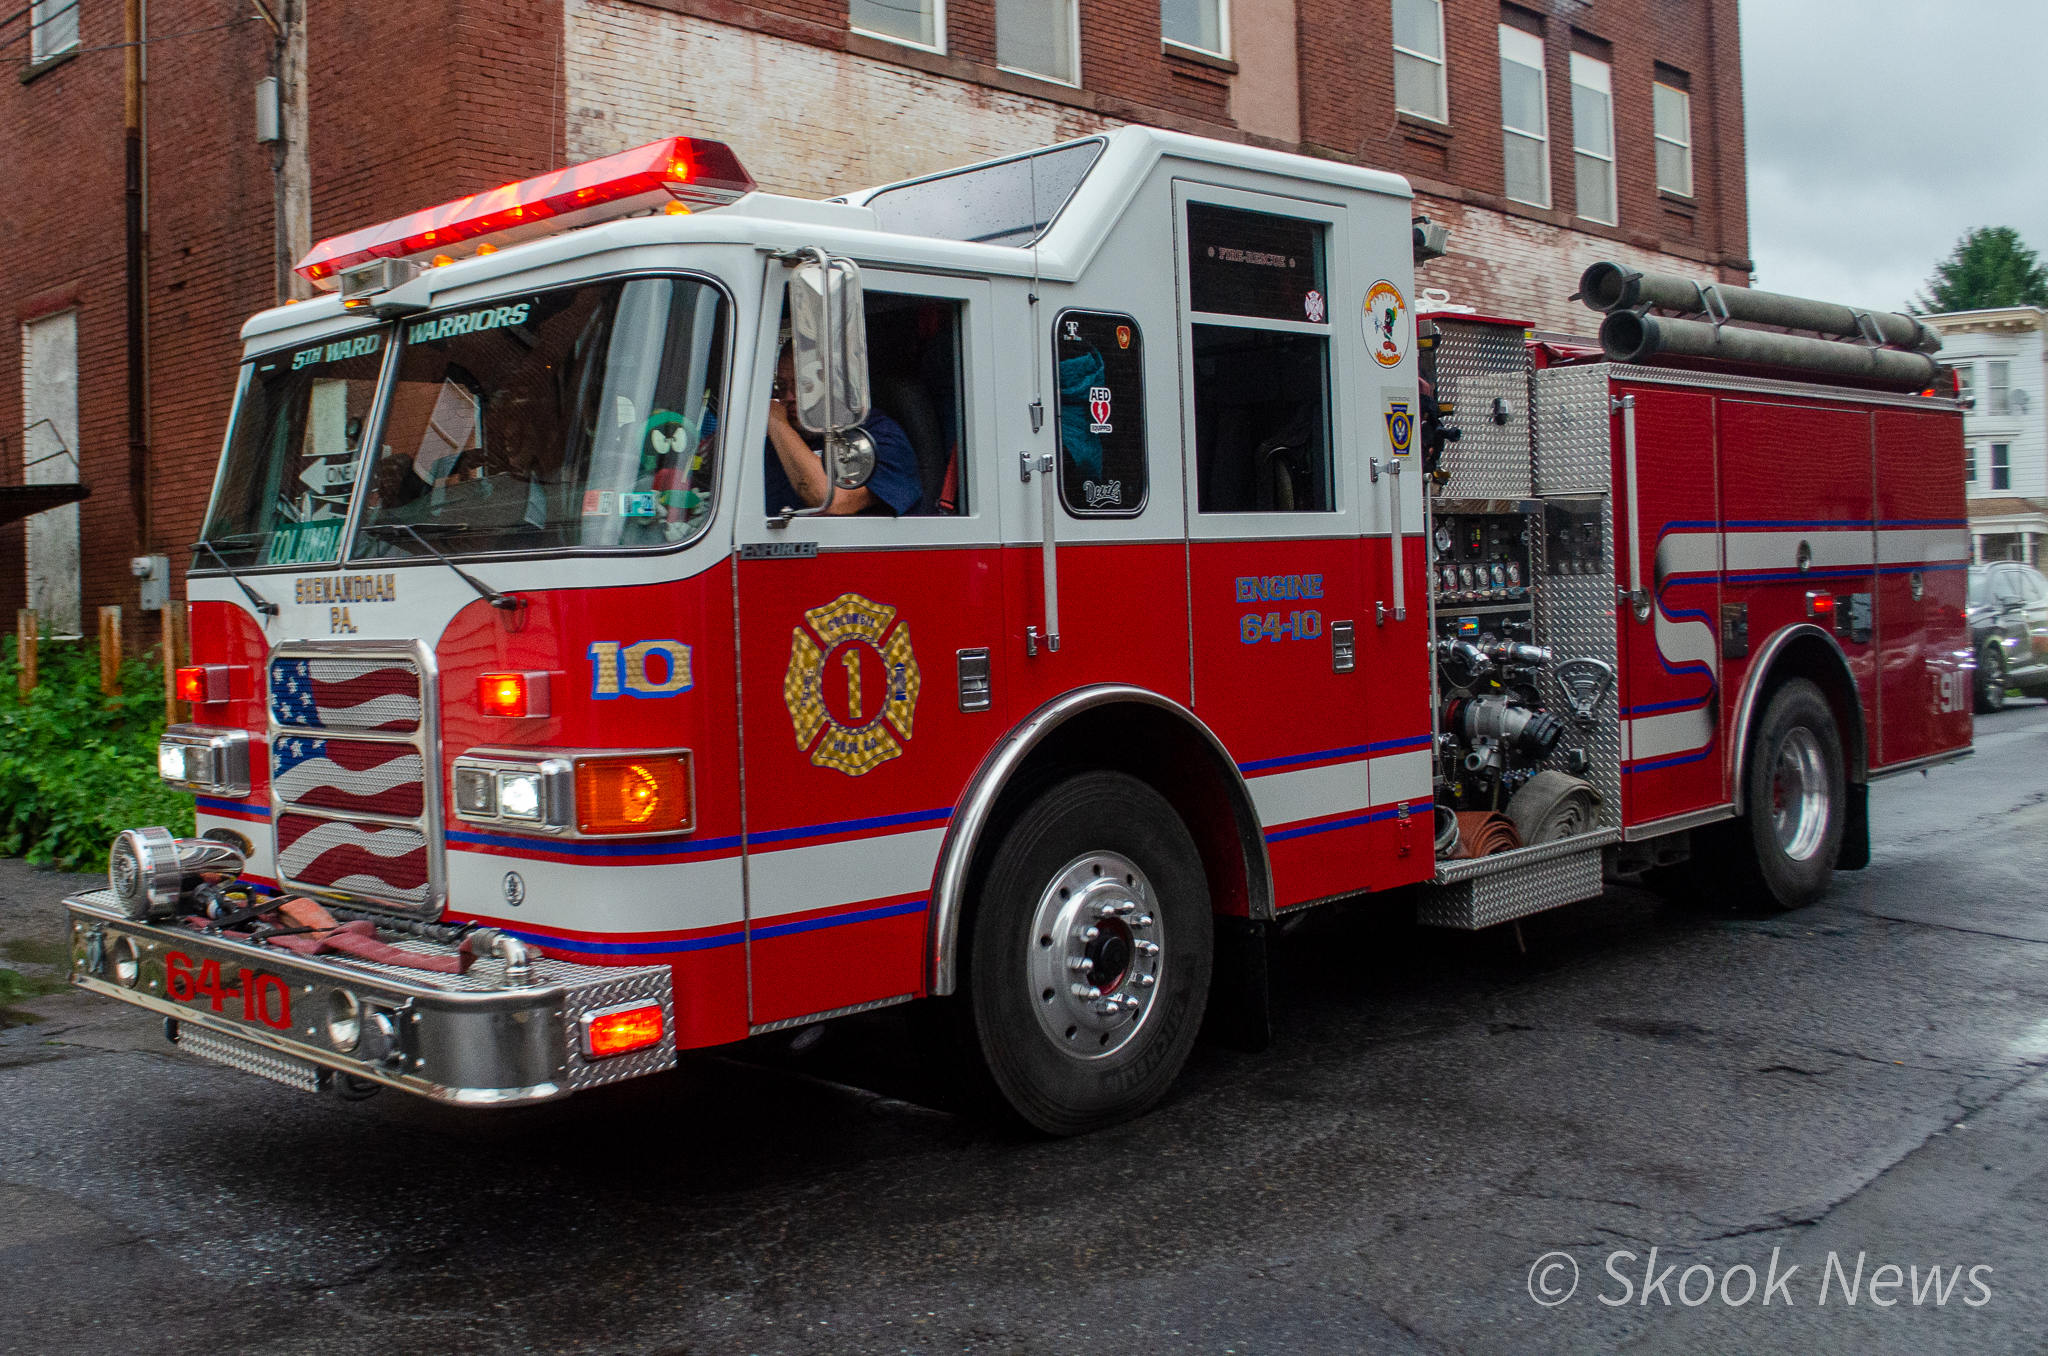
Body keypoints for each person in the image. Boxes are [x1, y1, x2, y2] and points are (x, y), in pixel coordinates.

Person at [764, 341, 922, 517]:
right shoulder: (774, 445)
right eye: (782, 387)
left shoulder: (879, 436)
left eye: (804, 386)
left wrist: (777, 422)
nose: (788, 397)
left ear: (836, 385)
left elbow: (829, 502)